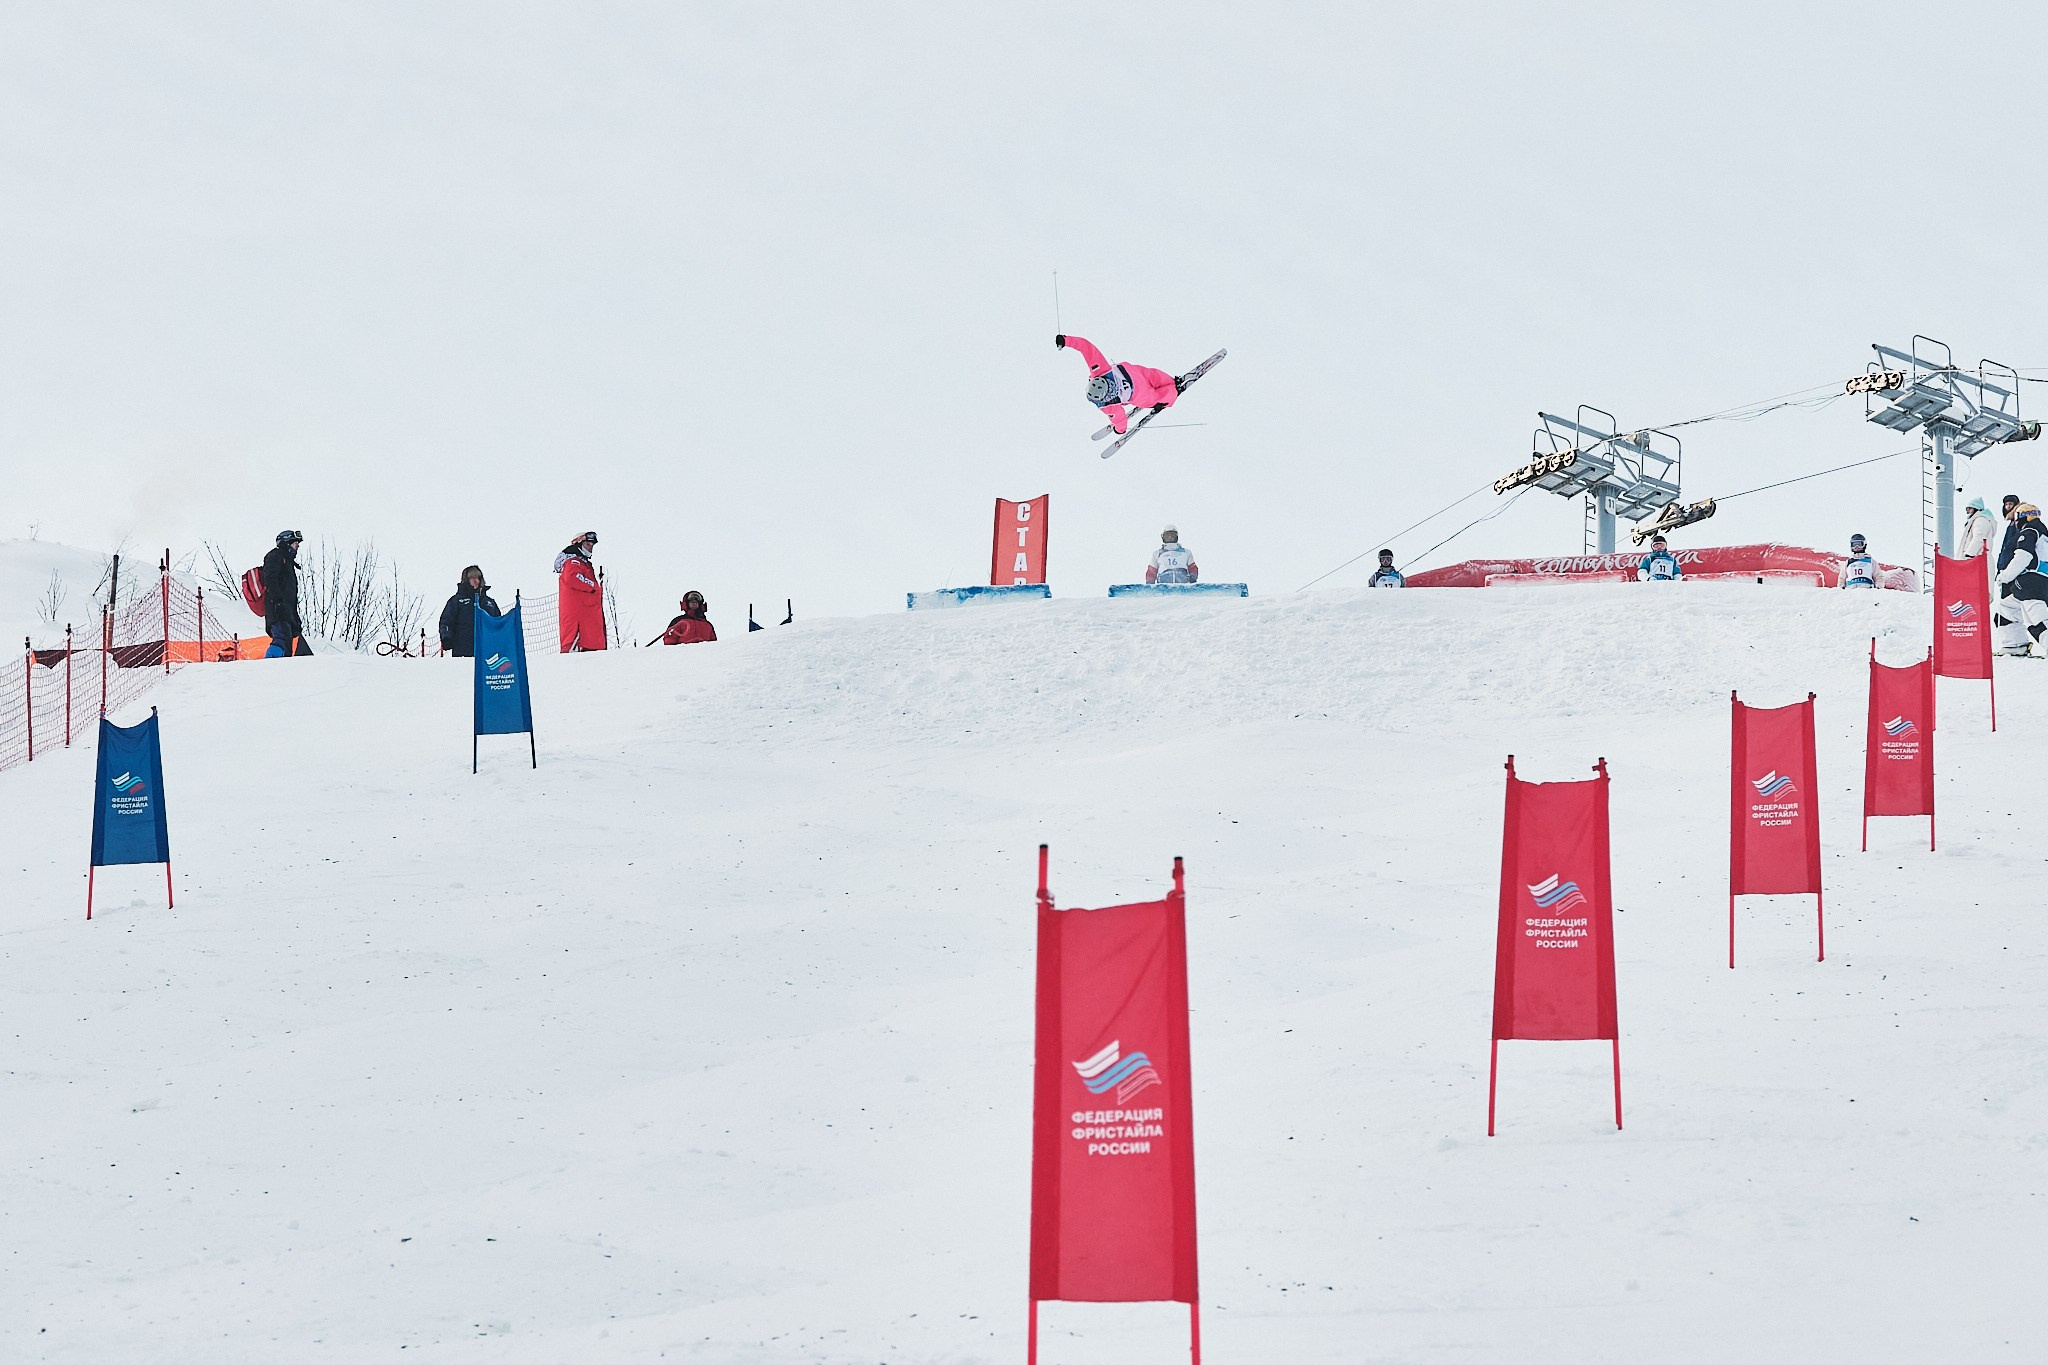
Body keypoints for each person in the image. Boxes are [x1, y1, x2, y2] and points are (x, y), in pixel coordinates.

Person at [1056, 334, 1191, 436]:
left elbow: (1120, 418)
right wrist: (1066, 340)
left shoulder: (1107, 405)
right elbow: (1087, 348)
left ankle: (1172, 394)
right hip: (1132, 372)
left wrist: (1120, 430)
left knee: (1154, 398)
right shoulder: (1099, 369)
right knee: (1153, 375)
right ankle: (1171, 382)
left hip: (1137, 392)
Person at [1994, 496, 2047, 655]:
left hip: (2031, 582)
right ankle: (2014, 644)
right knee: (2006, 608)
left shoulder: (2030, 531)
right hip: (2040, 580)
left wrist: (2004, 576)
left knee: (2037, 618)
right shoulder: (2043, 534)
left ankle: (2016, 644)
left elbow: (2023, 556)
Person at [260, 529, 313, 657]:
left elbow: (289, 594)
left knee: (289, 643)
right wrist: (278, 602)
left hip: (286, 610)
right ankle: (267, 667)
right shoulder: (275, 556)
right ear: (286, 543)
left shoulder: (287, 562)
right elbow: (270, 580)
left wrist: (293, 615)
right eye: (295, 543)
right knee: (281, 640)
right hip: (277, 609)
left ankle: (282, 672)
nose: (297, 546)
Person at [554, 531, 608, 652]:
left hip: (588, 625)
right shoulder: (573, 562)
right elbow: (573, 577)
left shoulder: (585, 564)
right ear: (578, 544)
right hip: (579, 628)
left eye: (592, 545)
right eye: (588, 545)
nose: (591, 548)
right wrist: (593, 586)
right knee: (576, 661)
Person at [437, 565, 502, 657]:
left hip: (487, 650)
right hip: (463, 649)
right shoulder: (457, 601)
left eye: (477, 578)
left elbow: (498, 622)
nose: (475, 581)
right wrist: (446, 637)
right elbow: (446, 621)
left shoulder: (489, 603)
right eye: (472, 578)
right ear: (466, 580)